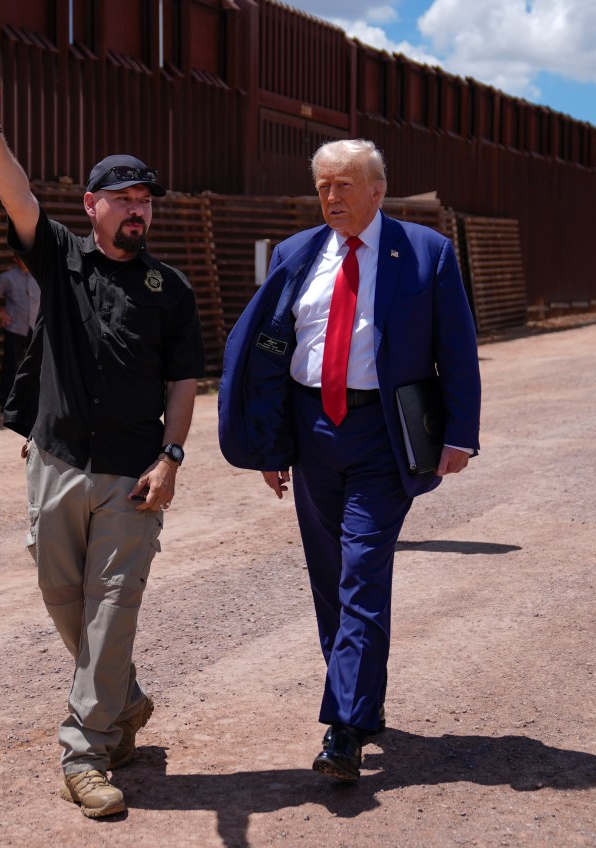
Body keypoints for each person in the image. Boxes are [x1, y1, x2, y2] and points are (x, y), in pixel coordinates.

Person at [0, 47, 205, 819]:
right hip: (58, 463)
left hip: (134, 475)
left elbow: (183, 380)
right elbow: (16, 193)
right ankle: (122, 699)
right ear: (93, 206)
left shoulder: (171, 289)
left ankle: (87, 750)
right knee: (62, 596)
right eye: (125, 198)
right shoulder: (60, 258)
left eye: (147, 200)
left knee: (111, 608)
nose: (139, 209)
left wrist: (171, 458)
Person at [218, 139, 480, 783]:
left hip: (383, 433)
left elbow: (458, 349)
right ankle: (363, 702)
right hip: (311, 431)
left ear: (378, 190)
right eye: (323, 187)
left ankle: (342, 728)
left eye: (344, 186)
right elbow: (273, 355)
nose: (332, 198)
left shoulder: (427, 253)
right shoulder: (295, 254)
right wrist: (269, 444)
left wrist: (461, 434)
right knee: (330, 575)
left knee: (363, 570)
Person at [0, 254, 40, 407]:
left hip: (35, 327)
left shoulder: (39, 275)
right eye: (21, 258)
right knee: (11, 364)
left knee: (36, 364)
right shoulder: (7, 278)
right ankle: (7, 402)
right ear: (15, 259)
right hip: (16, 327)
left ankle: (33, 400)